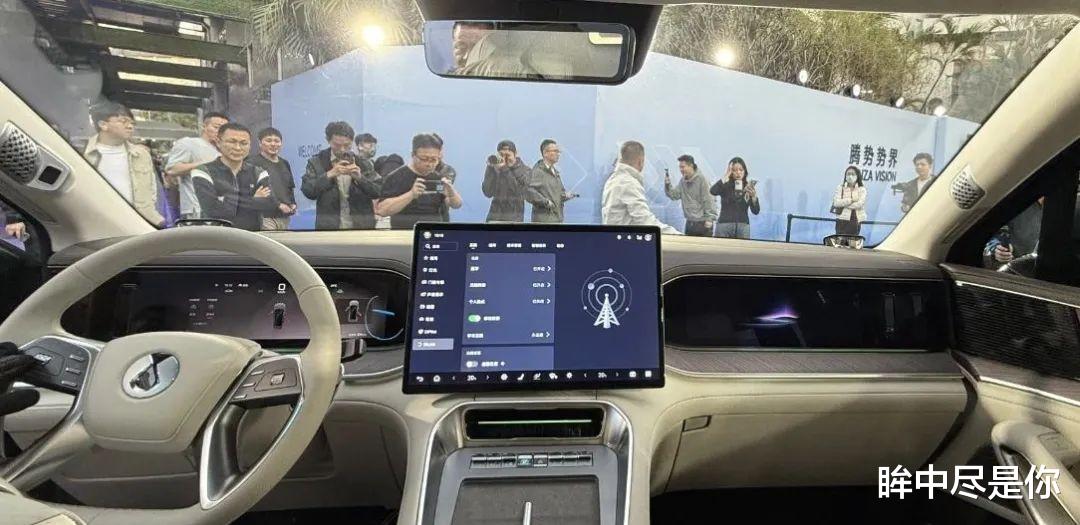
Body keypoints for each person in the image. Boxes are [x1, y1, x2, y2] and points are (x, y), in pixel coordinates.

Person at [82, 102, 164, 226]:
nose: (130, 126)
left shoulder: (141, 154)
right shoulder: (83, 153)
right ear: (103, 125)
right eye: (123, 121)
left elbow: (153, 190)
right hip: (99, 223)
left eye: (132, 123)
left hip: (139, 222)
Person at [191, 123, 275, 231]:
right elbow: (212, 209)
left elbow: (270, 205)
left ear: (250, 146)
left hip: (251, 235)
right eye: (232, 142)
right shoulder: (203, 171)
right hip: (216, 234)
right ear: (218, 142)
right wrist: (254, 200)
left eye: (243, 143)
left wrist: (227, 200)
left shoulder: (258, 172)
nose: (238, 148)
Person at [300, 122, 383, 230]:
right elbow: (308, 191)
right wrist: (329, 175)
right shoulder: (317, 162)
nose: (342, 149)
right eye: (337, 145)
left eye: (347, 145)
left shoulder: (364, 163)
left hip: (361, 228)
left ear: (352, 142)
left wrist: (361, 179)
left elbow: (379, 191)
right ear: (328, 140)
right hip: (328, 228)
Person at [376, 133, 463, 229]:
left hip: (433, 231)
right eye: (424, 159)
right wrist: (411, 195)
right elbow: (382, 210)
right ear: (413, 155)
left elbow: (456, 205)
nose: (429, 164)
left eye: (434, 160)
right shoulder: (396, 177)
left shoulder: (437, 177)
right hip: (406, 232)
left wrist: (451, 193)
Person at [601, 141, 680, 234]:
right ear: (640, 161)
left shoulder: (613, 180)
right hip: (624, 240)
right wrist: (676, 235)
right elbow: (645, 221)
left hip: (613, 237)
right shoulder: (628, 183)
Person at [164, 111, 229, 220]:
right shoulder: (189, 143)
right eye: (216, 127)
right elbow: (172, 169)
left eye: (224, 129)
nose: (220, 132)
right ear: (204, 126)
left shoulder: (222, 150)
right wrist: (203, 165)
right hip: (196, 208)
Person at [249, 127, 296, 230]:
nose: (273, 144)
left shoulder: (284, 163)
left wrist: (293, 203)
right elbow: (262, 189)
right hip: (265, 216)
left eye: (277, 141)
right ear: (260, 143)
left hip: (284, 216)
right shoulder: (253, 163)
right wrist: (278, 205)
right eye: (268, 140)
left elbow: (290, 187)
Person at [664, 154, 717, 236]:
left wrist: (709, 219)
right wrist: (667, 185)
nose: (681, 170)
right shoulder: (682, 181)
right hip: (689, 222)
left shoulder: (702, 179)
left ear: (691, 166)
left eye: (683, 167)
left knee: (703, 244)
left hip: (703, 223)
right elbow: (674, 196)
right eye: (680, 167)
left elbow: (709, 199)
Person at [709, 157, 760, 239]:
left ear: (745, 171)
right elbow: (712, 191)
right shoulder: (725, 184)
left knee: (742, 247)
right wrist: (726, 176)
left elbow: (756, 211)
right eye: (734, 170)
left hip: (742, 226)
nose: (738, 172)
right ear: (730, 172)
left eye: (741, 170)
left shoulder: (748, 187)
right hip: (724, 225)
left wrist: (754, 197)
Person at [526, 139, 575, 223]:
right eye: (555, 151)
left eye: (558, 151)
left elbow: (557, 194)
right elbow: (529, 192)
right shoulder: (538, 171)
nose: (558, 154)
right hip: (544, 222)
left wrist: (565, 196)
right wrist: (546, 202)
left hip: (556, 220)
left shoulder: (555, 172)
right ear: (545, 153)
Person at [482, 140, 530, 222]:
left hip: (514, 219)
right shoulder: (496, 169)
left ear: (515, 154)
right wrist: (490, 169)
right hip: (494, 218)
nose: (504, 158)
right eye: (501, 155)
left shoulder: (525, 170)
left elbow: (519, 191)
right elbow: (488, 192)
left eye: (507, 155)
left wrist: (505, 169)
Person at [831, 165, 867, 236]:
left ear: (857, 176)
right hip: (841, 220)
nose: (850, 176)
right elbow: (836, 203)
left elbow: (860, 204)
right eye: (848, 174)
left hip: (855, 220)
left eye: (853, 174)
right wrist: (851, 200)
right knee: (840, 240)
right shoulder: (840, 188)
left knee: (853, 241)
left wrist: (844, 204)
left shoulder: (862, 189)